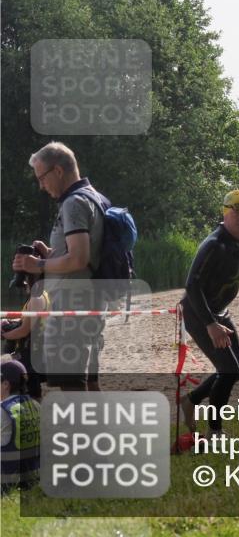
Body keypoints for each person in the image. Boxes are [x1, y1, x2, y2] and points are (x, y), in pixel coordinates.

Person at [12, 142, 108, 391]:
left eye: (42, 178)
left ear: (57, 171)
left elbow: (79, 259)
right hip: (90, 301)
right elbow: (83, 256)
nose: (41, 186)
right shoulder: (95, 197)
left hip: (72, 307)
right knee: (87, 380)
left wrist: (39, 264)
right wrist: (50, 254)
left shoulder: (74, 203)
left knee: (71, 386)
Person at [180, 190, 239, 436]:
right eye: (237, 212)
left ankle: (192, 400)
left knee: (237, 370)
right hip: (198, 314)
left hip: (220, 312)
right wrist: (210, 324)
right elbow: (192, 285)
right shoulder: (213, 245)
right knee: (228, 370)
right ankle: (215, 432)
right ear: (226, 214)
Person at [0, 264, 50, 400]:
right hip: (37, 349)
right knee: (33, 392)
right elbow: (29, 320)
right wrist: (8, 322)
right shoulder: (42, 295)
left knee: (30, 392)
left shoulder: (36, 298)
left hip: (31, 351)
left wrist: (4, 335)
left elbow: (24, 330)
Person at [0, 358, 41, 493]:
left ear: (6, 384)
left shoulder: (3, 410)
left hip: (7, 481)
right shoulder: (36, 405)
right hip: (33, 477)